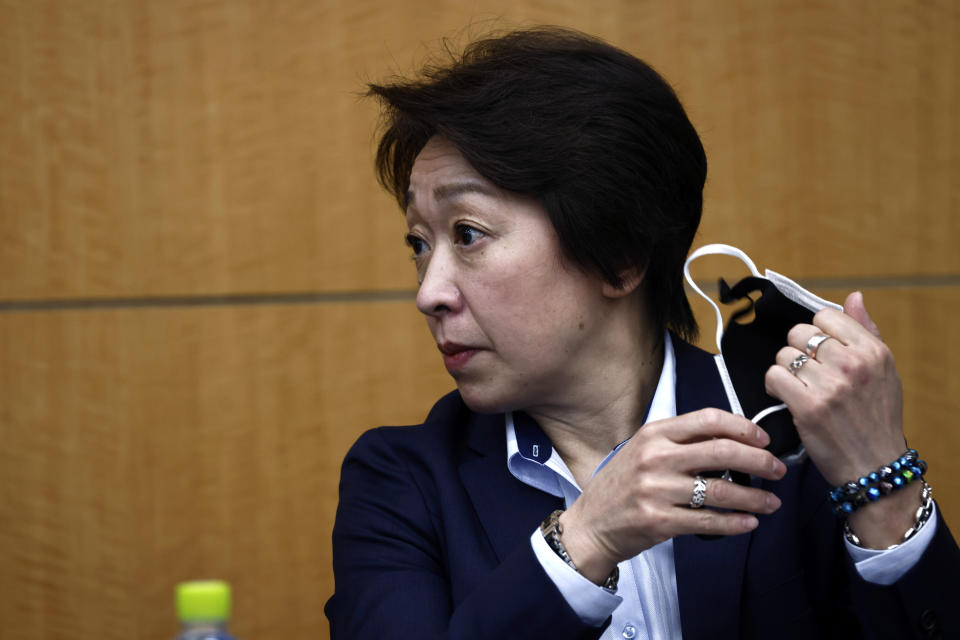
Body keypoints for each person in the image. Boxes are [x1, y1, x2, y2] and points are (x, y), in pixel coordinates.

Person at [324, 26, 959, 639]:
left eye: (467, 233)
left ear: (619, 253)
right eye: (418, 242)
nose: (428, 292)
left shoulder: (790, 433)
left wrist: (882, 481)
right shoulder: (401, 480)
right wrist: (587, 538)